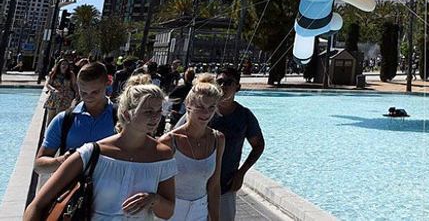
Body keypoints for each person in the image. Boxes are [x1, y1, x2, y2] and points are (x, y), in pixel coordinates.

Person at [24, 83, 177, 220]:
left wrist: (153, 200)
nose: (156, 117)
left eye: (159, 111)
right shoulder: (92, 153)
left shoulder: (162, 155)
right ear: (126, 114)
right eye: (148, 111)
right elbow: (38, 205)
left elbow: (167, 212)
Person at [180, 67, 263, 221]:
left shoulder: (244, 116)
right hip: (194, 186)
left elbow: (258, 145)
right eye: (220, 82)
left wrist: (241, 173)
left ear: (238, 86)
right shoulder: (202, 111)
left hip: (226, 185)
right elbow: (177, 135)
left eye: (229, 82)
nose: (224, 86)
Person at [35, 62, 116, 187]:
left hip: (111, 197)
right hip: (71, 197)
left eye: (95, 92)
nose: (89, 97)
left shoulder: (121, 119)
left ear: (108, 83)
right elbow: (39, 165)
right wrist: (61, 160)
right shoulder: (63, 120)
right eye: (84, 93)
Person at [161, 74, 224, 220]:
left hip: (200, 211)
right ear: (188, 105)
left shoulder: (218, 139)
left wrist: (215, 218)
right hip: (171, 212)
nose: (206, 113)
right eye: (200, 106)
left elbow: (214, 185)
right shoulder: (169, 141)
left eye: (211, 107)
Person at [42, 58, 77, 126]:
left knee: (60, 117)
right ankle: (48, 134)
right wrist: (54, 90)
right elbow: (47, 84)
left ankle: (58, 134)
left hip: (66, 98)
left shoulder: (71, 74)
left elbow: (74, 85)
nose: (65, 65)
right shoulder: (53, 73)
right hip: (54, 97)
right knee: (50, 117)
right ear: (59, 65)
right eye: (63, 64)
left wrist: (77, 93)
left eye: (66, 64)